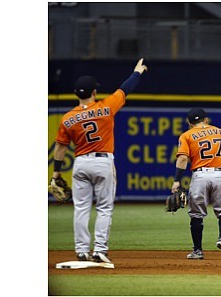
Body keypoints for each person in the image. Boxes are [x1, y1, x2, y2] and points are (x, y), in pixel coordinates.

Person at [51, 58, 148, 263]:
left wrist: (56, 173)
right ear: (94, 92)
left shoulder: (67, 118)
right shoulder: (106, 107)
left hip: (80, 164)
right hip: (102, 162)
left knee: (81, 208)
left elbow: (60, 147)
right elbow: (125, 89)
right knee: (104, 208)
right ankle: (100, 250)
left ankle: (81, 250)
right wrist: (137, 72)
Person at [171, 108, 221, 260]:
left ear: (189, 123)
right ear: (206, 120)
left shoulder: (186, 135)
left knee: (196, 214)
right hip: (219, 175)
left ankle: (198, 251)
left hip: (200, 175)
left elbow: (183, 159)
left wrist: (177, 180)